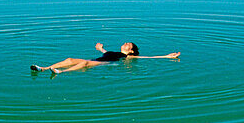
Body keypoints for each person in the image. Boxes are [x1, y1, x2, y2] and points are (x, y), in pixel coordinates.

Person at [30, 42, 180, 74]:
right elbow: (106, 52)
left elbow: (147, 57)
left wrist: (166, 56)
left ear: (131, 51)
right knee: (69, 59)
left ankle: (61, 72)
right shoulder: (114, 51)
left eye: (129, 45)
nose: (126, 43)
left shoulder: (127, 58)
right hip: (100, 58)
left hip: (106, 64)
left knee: (86, 64)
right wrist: (100, 48)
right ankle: (44, 68)